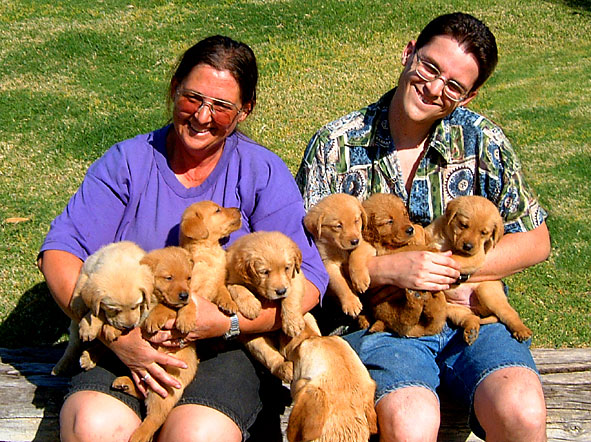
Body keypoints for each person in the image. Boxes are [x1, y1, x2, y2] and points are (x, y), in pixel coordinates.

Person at [38, 35, 328, 442]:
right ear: (174, 88)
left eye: (222, 107)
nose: (203, 116)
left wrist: (227, 323)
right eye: (192, 98)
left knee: (197, 433)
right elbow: (59, 252)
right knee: (92, 422)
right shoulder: (129, 162)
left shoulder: (262, 172)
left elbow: (310, 279)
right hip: (131, 337)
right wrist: (117, 337)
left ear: (245, 111)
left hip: (228, 350)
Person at [296, 12, 549, 442]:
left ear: (468, 97)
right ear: (409, 52)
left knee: (522, 410)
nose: (435, 88)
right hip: (388, 324)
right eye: (430, 67)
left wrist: (454, 270)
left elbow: (536, 240)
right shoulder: (336, 145)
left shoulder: (484, 142)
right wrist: (388, 271)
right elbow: (305, 260)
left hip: (472, 315)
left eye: (454, 85)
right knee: (410, 421)